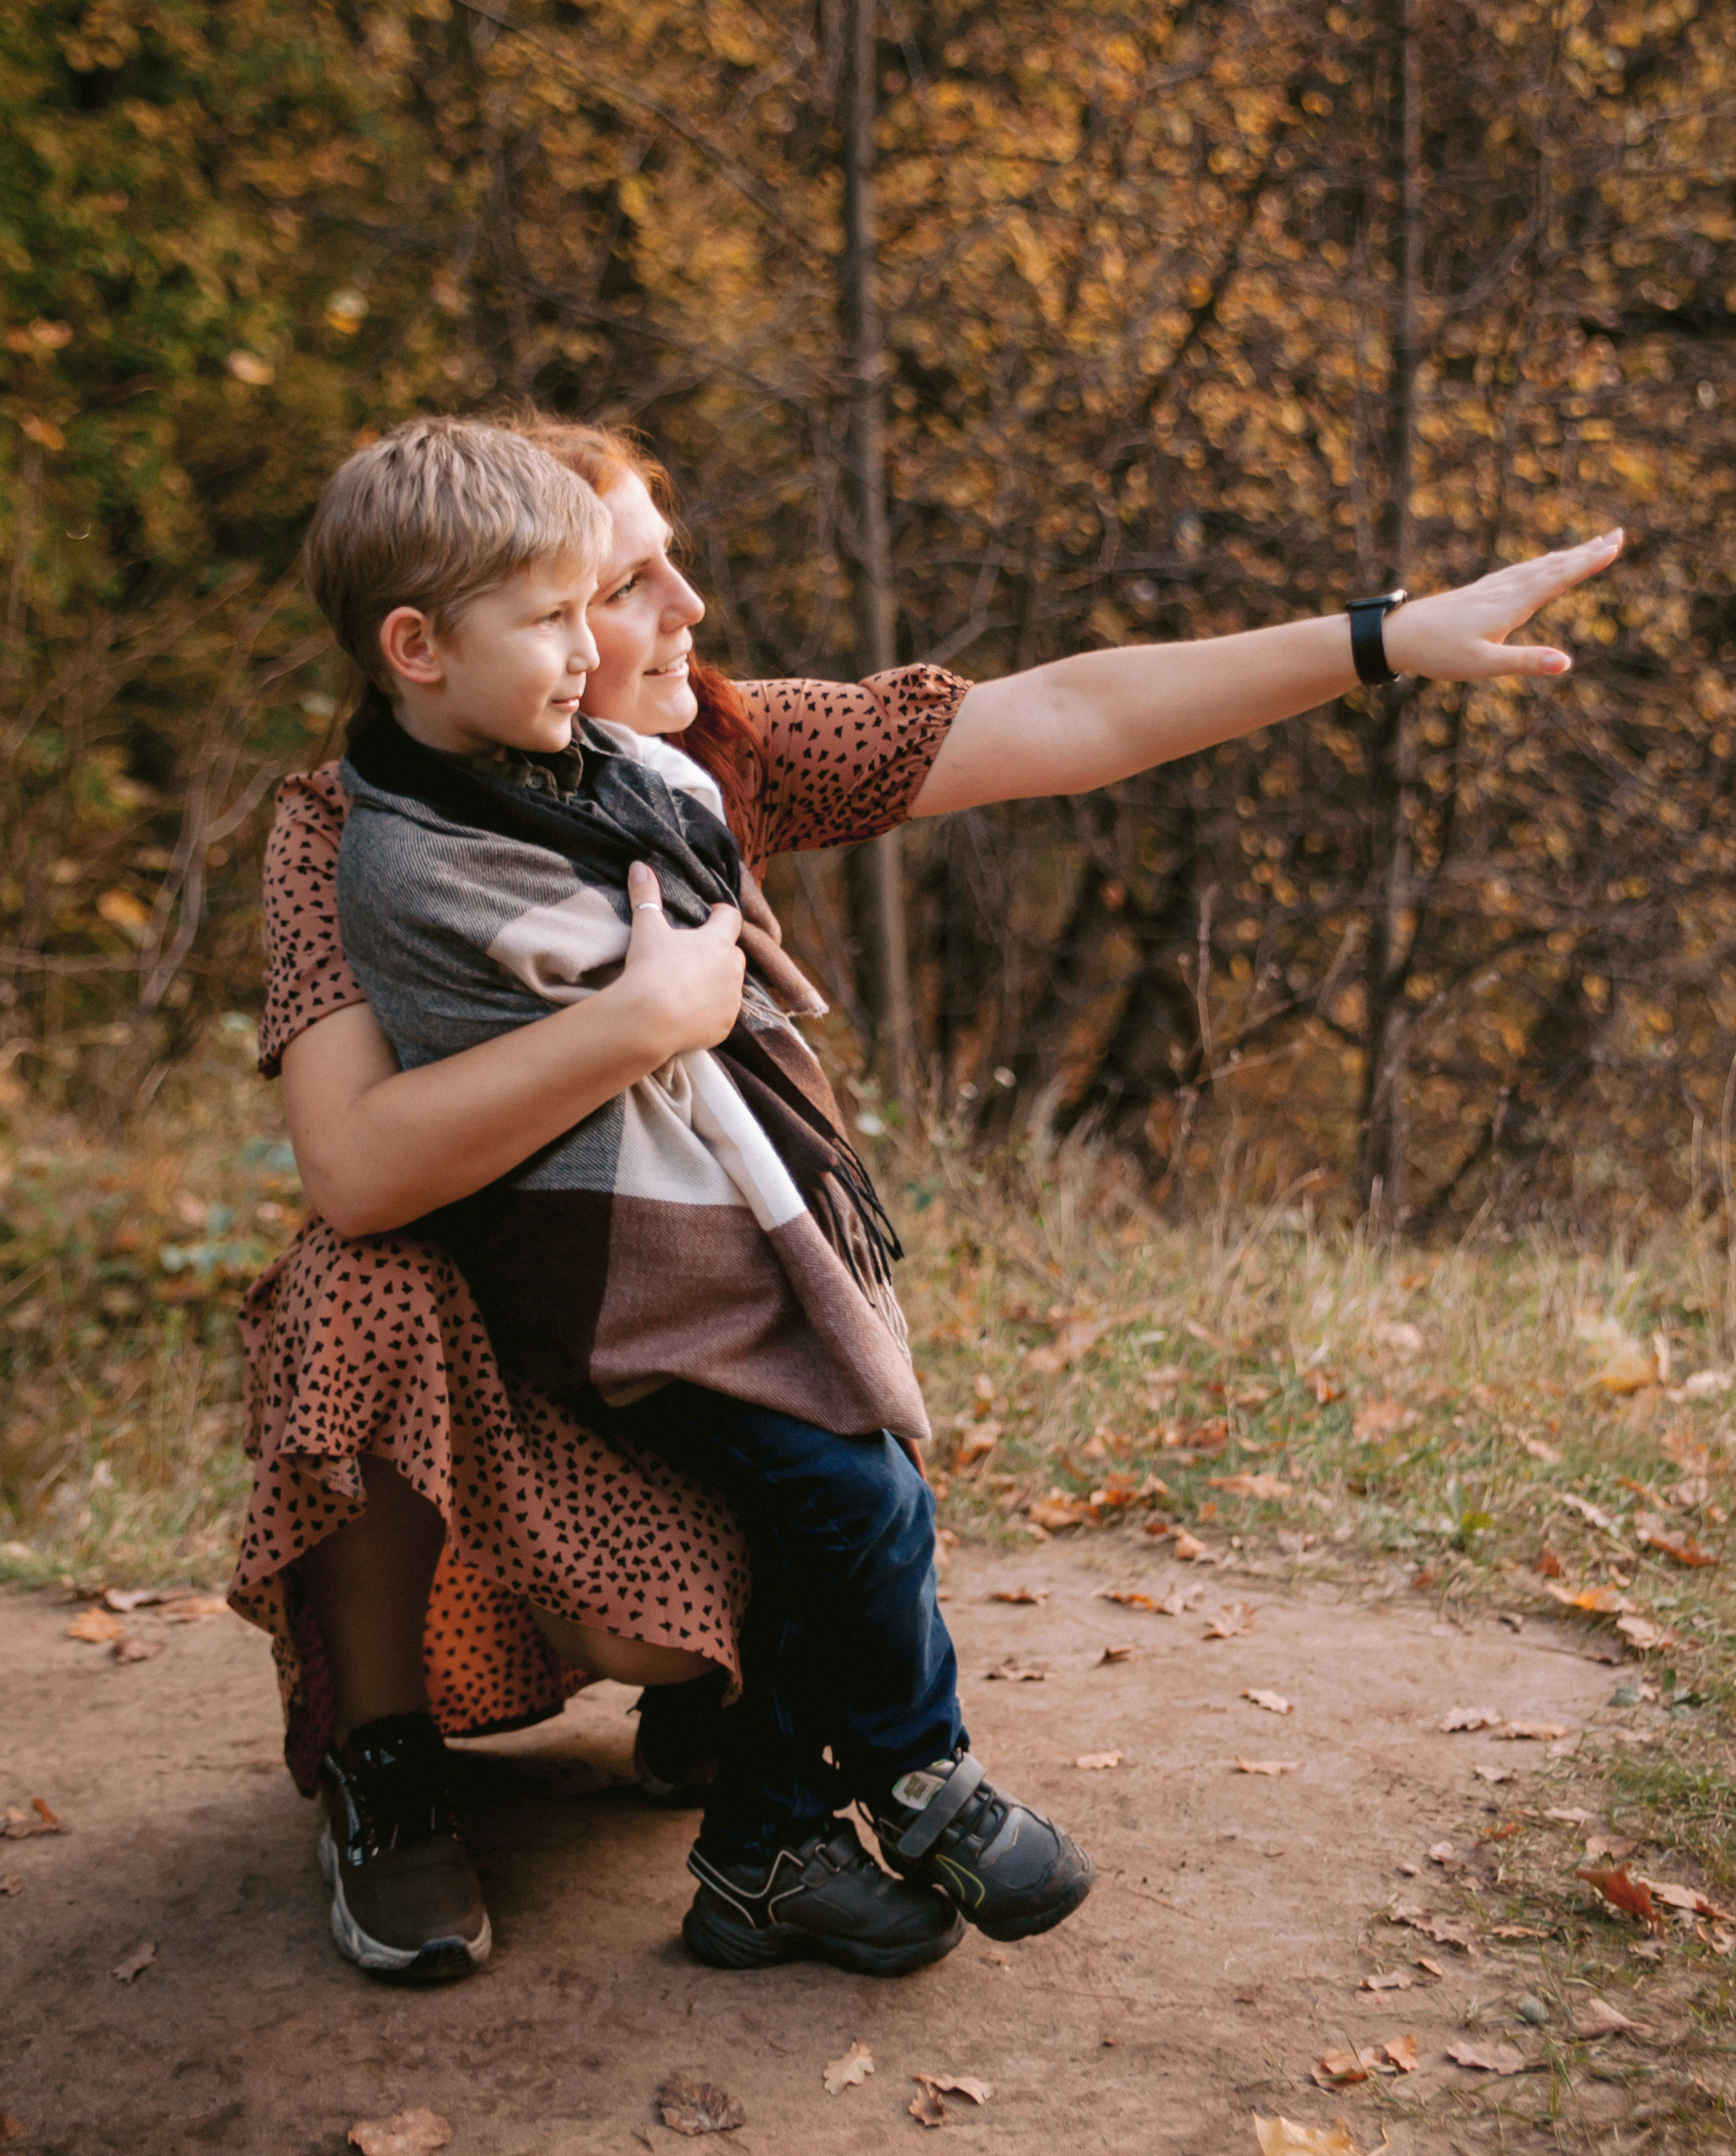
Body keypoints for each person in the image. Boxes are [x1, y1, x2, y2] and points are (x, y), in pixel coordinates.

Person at [239, 405, 1622, 1986]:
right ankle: (388, 1761)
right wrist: (639, 1019)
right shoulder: (350, 833)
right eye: (616, 588)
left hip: (710, 1309)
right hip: (518, 1349)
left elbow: (1067, 714)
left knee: (846, 1494)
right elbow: (355, 1166)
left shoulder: (696, 756)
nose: (680, 612)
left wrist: (1384, 637)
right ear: (444, 637)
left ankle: (746, 1771)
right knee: (349, 1281)